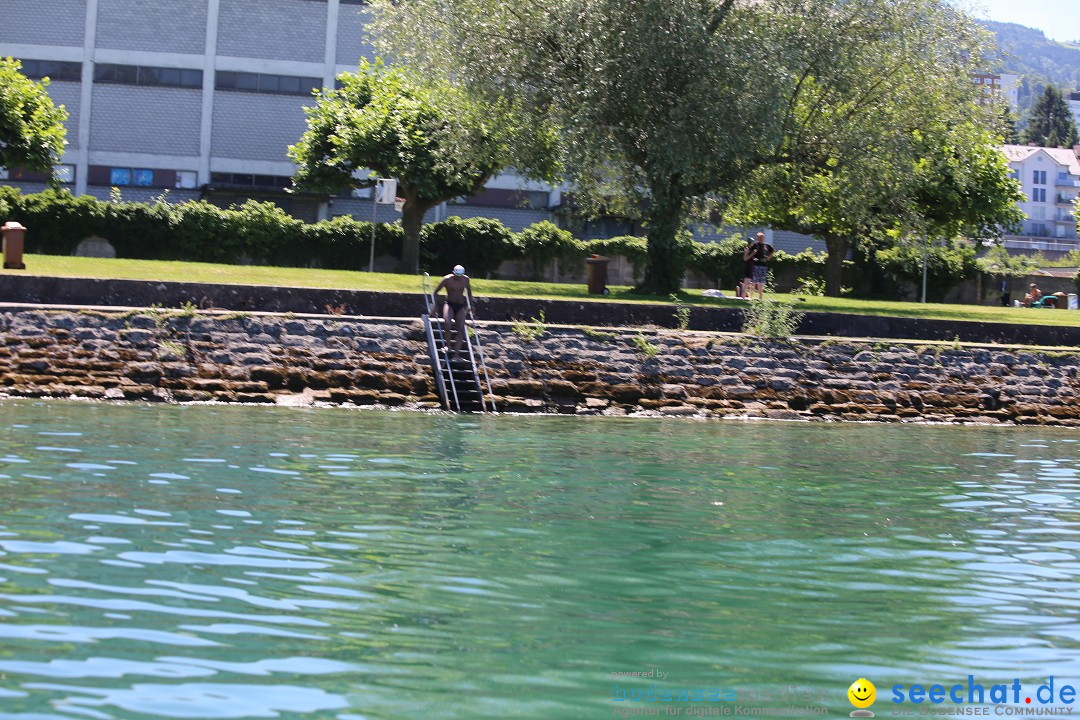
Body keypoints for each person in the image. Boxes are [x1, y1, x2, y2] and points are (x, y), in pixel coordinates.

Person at [432, 264, 474, 360]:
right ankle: (448, 346)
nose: (458, 278)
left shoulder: (466, 279)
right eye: (457, 276)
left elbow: (469, 292)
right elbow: (435, 292)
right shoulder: (447, 279)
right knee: (447, 325)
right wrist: (435, 306)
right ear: (453, 273)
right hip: (449, 304)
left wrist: (470, 305)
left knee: (461, 331)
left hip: (460, 306)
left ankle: (456, 355)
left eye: (460, 276)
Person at [743, 231, 775, 300]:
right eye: (760, 237)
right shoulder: (755, 245)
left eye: (762, 237)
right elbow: (749, 251)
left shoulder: (766, 245)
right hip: (755, 265)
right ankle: (751, 296)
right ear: (757, 238)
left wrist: (768, 258)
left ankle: (760, 297)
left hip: (763, 265)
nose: (761, 239)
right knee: (753, 282)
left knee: (761, 282)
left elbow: (773, 251)